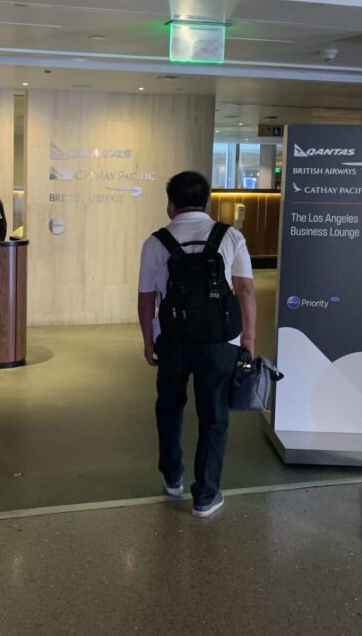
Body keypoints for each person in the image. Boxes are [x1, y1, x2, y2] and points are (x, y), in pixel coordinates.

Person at [137, 171, 256, 519]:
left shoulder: (156, 242)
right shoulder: (230, 236)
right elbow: (246, 289)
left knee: (169, 407)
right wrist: (247, 340)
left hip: (173, 339)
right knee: (214, 415)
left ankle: (172, 476)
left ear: (171, 205)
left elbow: (146, 299)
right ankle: (205, 496)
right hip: (221, 341)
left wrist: (148, 339)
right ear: (208, 201)